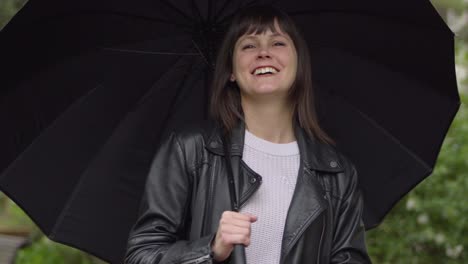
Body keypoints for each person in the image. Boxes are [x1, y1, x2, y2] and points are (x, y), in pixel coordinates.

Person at [125, 5, 371, 264]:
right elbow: (140, 255)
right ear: (231, 70)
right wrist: (210, 249)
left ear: (299, 64)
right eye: (249, 46)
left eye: (277, 43)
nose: (264, 53)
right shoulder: (190, 151)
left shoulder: (336, 173)